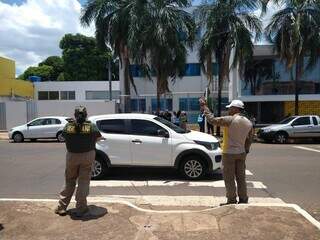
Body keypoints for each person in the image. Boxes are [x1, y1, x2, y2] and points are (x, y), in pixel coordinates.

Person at [199, 98, 254, 205]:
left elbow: (212, 120)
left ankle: (232, 200)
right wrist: (245, 150)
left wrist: (205, 107)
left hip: (229, 153)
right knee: (241, 178)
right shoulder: (248, 122)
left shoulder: (230, 120)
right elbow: (249, 139)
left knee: (229, 179)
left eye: (230, 108)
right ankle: (243, 199)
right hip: (241, 153)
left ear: (235, 109)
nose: (229, 110)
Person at [54, 106, 103, 217]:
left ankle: (61, 207)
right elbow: (99, 138)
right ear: (86, 115)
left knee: (69, 180)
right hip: (87, 156)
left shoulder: (68, 126)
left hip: (72, 156)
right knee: (83, 181)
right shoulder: (91, 126)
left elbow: (63, 136)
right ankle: (81, 208)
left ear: (75, 115)